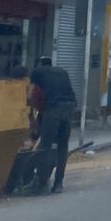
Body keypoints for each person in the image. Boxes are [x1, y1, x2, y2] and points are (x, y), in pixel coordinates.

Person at [29, 56, 78, 195]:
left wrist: (31, 114)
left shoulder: (37, 72)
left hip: (54, 108)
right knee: (63, 146)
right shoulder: (63, 71)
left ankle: (41, 182)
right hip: (70, 107)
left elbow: (30, 94)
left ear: (39, 64)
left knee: (45, 145)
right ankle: (58, 184)